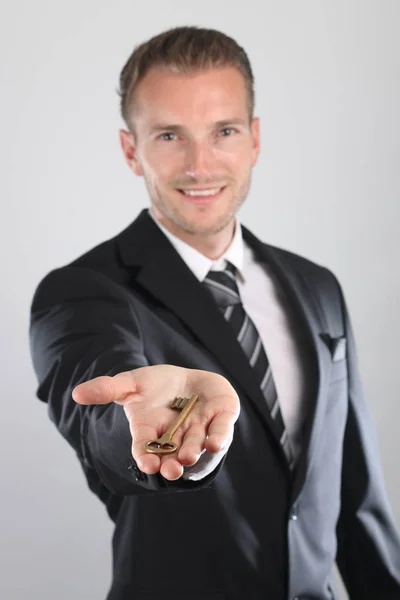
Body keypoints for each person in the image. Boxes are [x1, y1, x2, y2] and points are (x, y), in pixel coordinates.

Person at [29, 25, 400, 600]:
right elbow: (100, 414)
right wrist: (151, 430)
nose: (200, 166)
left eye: (223, 131)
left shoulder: (317, 286)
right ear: (133, 150)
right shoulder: (81, 293)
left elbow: (354, 494)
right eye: (170, 136)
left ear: (254, 139)